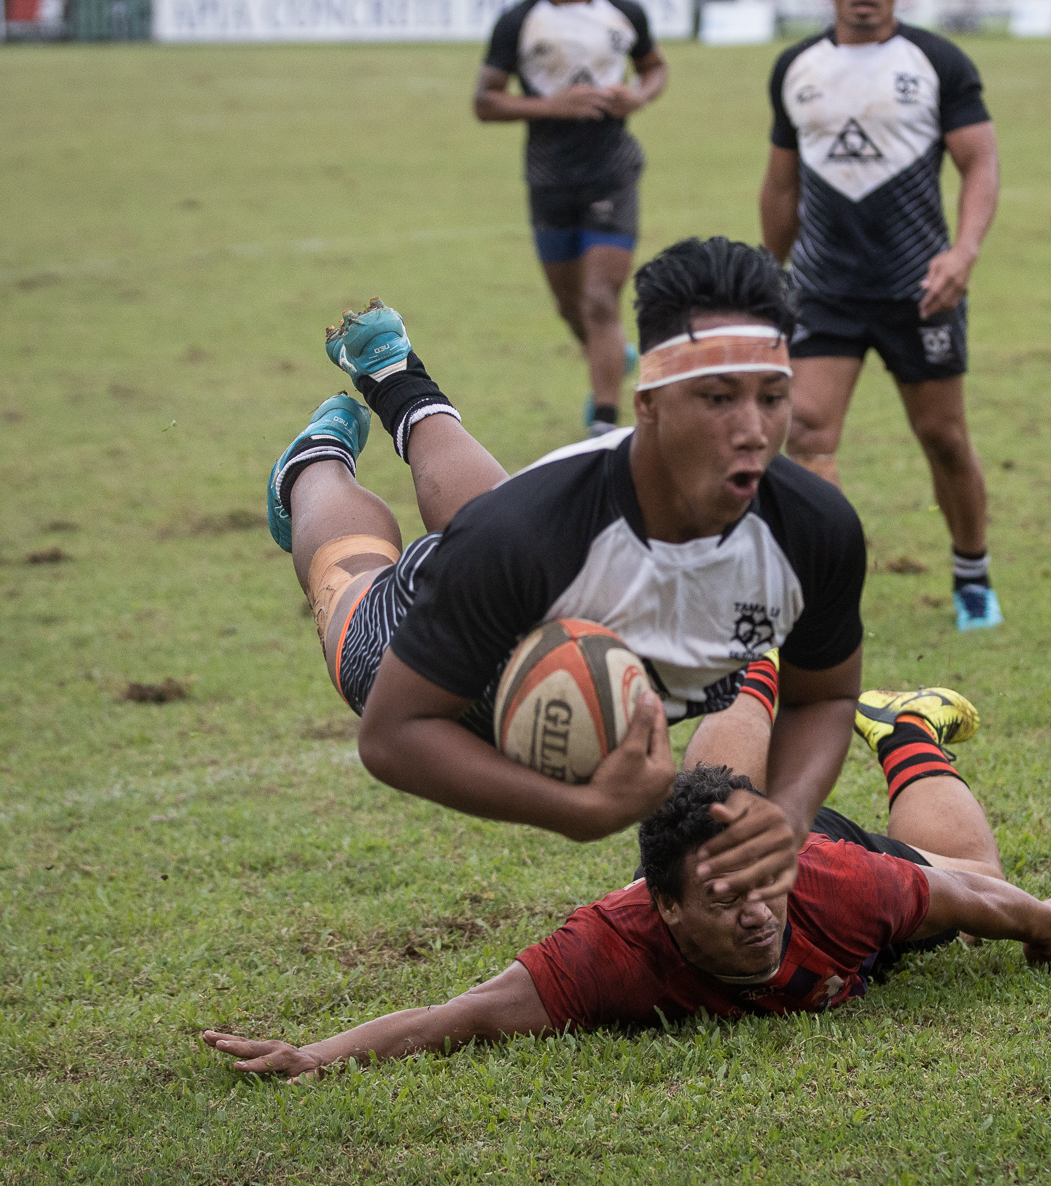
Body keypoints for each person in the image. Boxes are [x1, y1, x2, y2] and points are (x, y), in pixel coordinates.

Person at [263, 237, 866, 885]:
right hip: (469, 644)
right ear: (647, 404)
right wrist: (577, 810)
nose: (752, 429)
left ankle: (395, 378)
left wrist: (792, 813)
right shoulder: (530, 534)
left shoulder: (814, 531)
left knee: (504, 529)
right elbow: (393, 734)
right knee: (348, 590)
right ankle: (312, 465)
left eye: (772, 398)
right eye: (719, 398)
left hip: (539, 571)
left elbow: (825, 694)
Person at [202, 686, 1051, 1079]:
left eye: (761, 888)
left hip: (823, 848)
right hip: (736, 871)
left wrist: (1042, 924)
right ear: (663, 907)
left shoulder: (831, 883)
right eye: (722, 899)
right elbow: (462, 1015)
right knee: (714, 803)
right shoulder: (611, 949)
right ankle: (756, 677)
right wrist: (315, 1056)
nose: (756, 914)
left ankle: (902, 727)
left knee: (978, 868)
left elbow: (976, 898)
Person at [758, 0, 1002, 634]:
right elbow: (780, 184)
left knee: (944, 439)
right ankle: (828, 588)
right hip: (823, 289)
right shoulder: (795, 68)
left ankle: (972, 573)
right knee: (806, 434)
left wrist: (965, 251)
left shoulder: (937, 62)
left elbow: (979, 162)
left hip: (920, 289)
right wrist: (770, 274)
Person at [473, 0, 669, 438]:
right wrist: (551, 107)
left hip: (612, 171)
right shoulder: (518, 21)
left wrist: (640, 97)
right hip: (549, 178)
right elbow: (484, 101)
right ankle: (612, 358)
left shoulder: (624, 12)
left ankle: (604, 425)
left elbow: (655, 68)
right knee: (571, 308)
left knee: (600, 299)